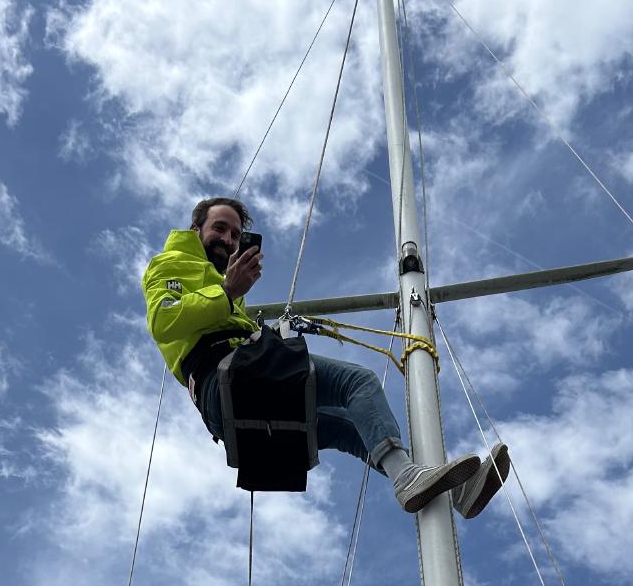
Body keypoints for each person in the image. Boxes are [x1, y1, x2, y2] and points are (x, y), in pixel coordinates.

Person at [142, 196, 509, 516]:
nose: (228, 240)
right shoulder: (171, 263)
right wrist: (225, 292)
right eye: (219, 229)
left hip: (236, 407)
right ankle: (411, 479)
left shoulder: (223, 285)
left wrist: (231, 295)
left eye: (236, 235)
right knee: (357, 382)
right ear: (195, 229)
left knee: (352, 428)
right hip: (229, 381)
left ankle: (447, 491)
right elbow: (164, 319)